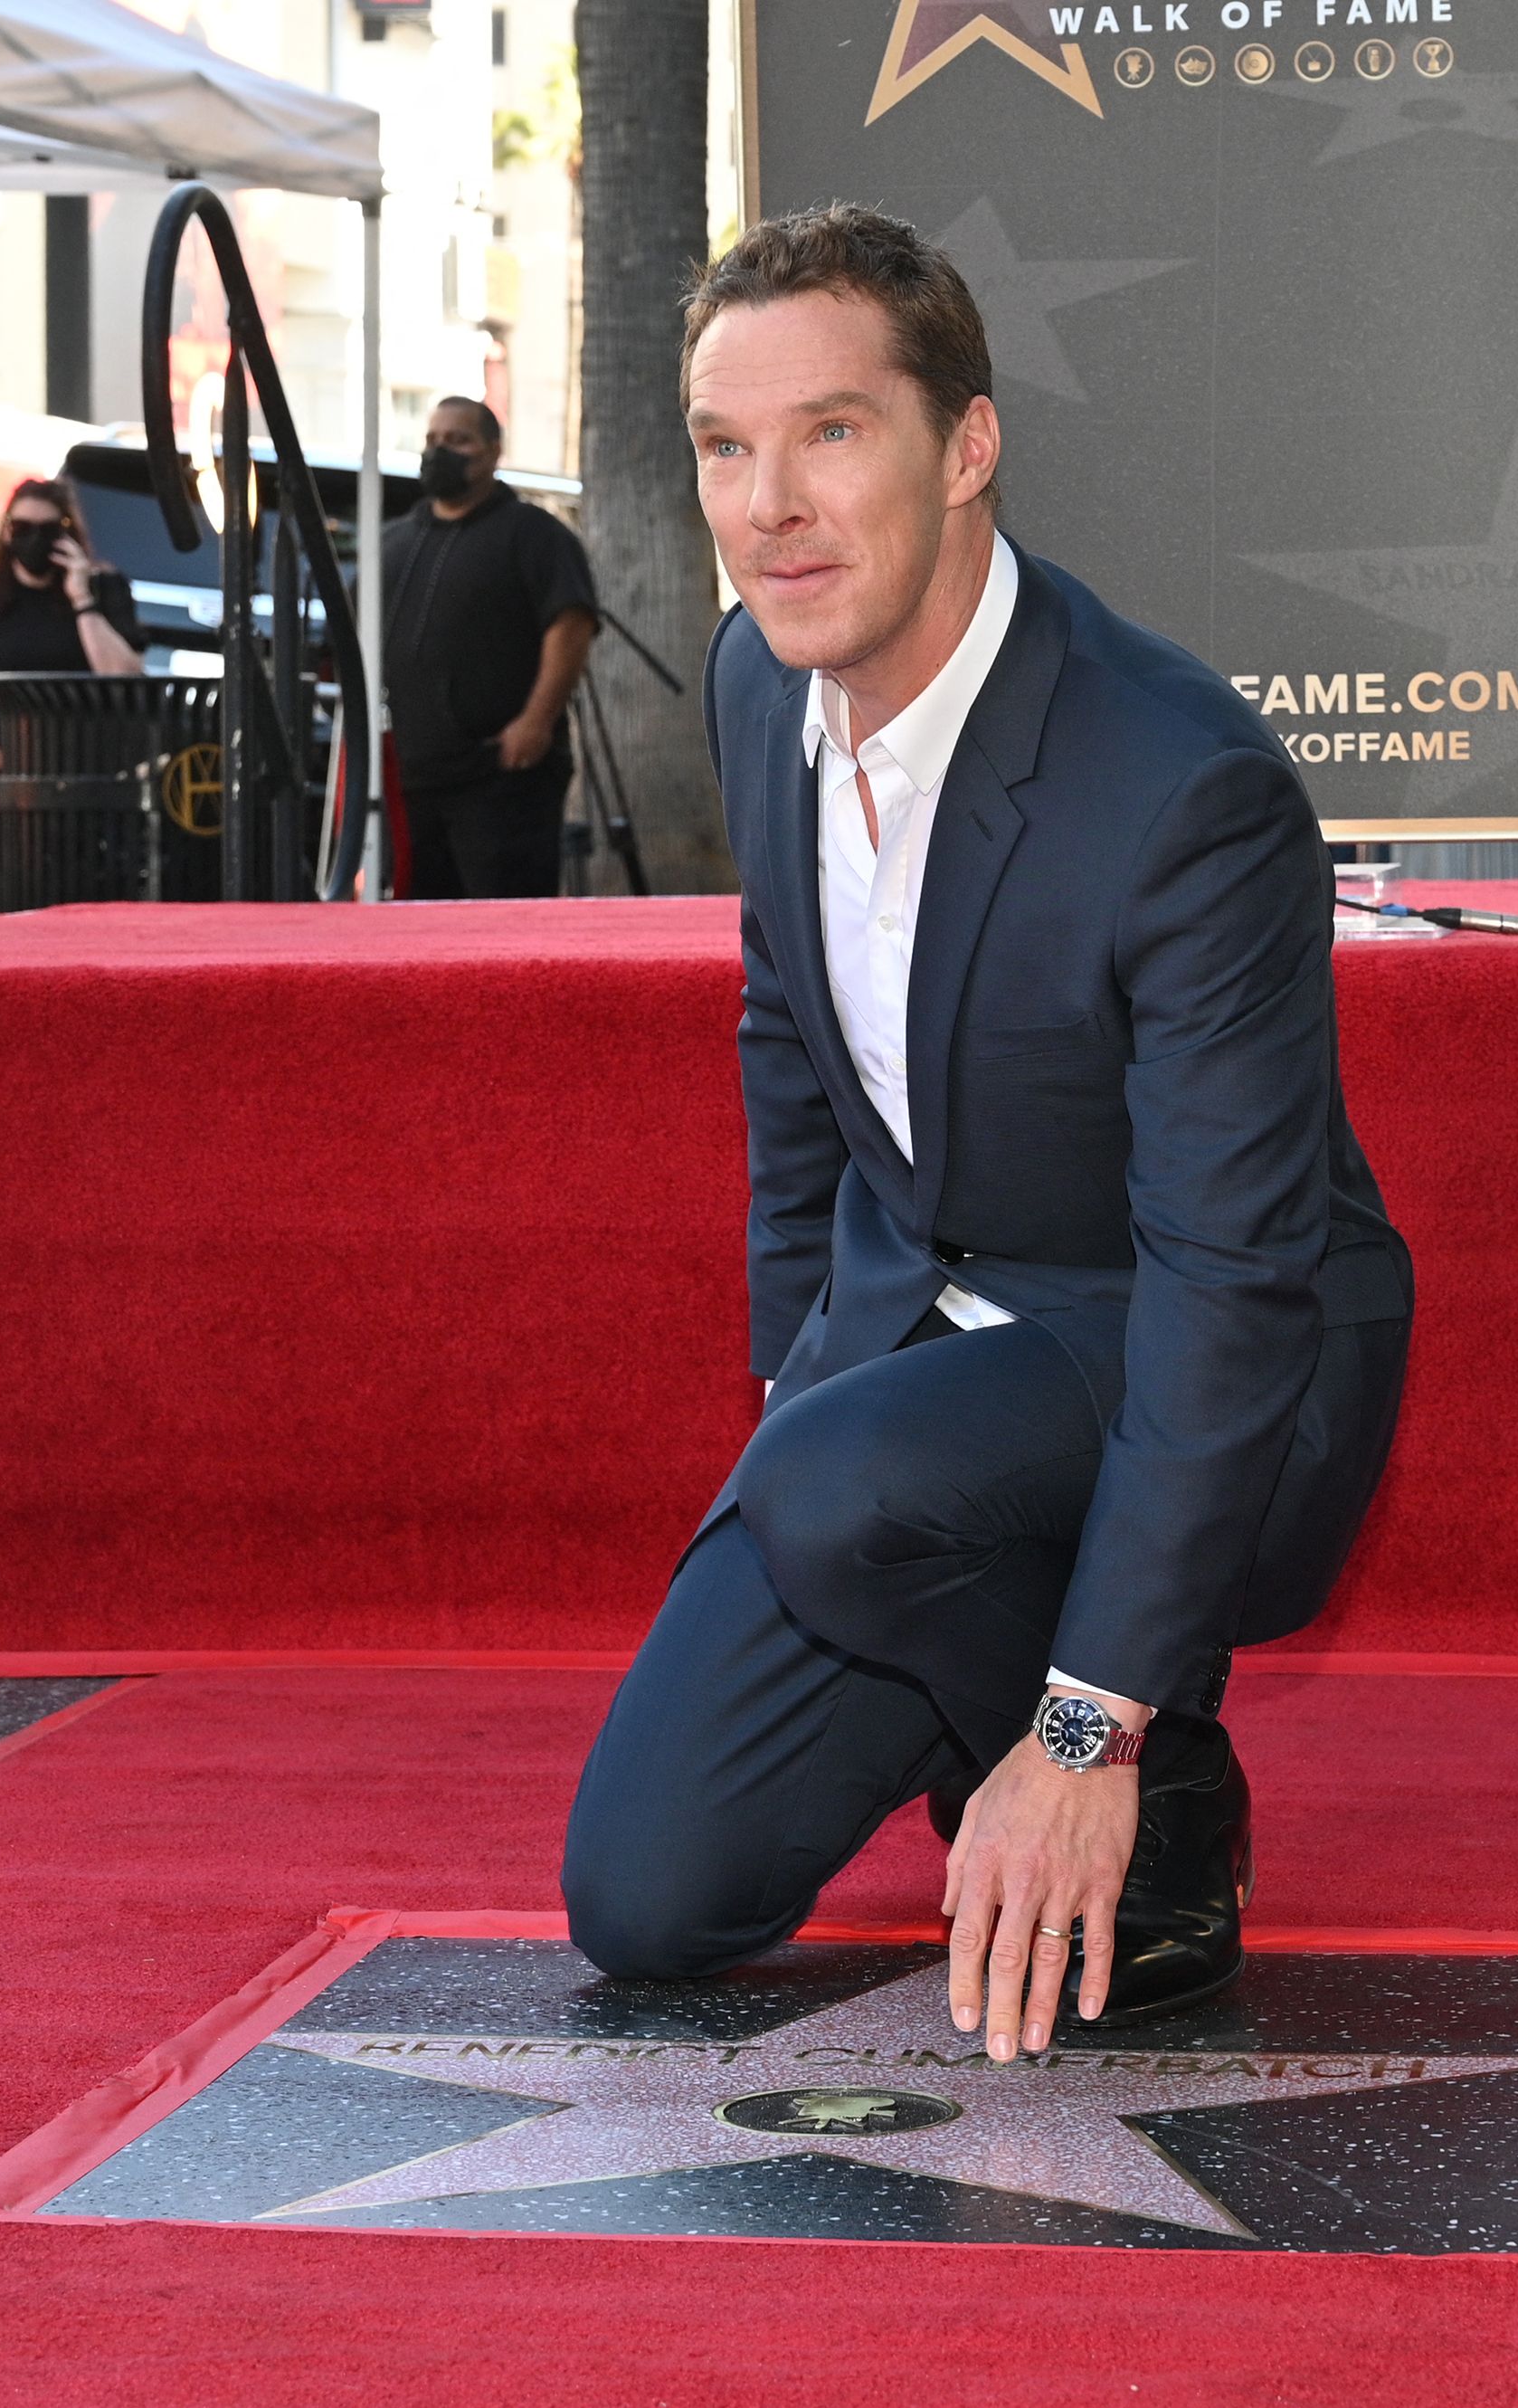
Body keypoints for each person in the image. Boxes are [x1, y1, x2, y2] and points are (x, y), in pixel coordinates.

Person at [560, 205, 1414, 2063]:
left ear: (965, 448)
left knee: (843, 1487)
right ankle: (972, 1662)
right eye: (725, 445)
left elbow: (1230, 1279)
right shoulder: (752, 677)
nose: (770, 505)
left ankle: (1145, 1766)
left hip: (1206, 1363)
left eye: (832, 431)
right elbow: (788, 1047)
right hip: (912, 1376)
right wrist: (804, 1387)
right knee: (645, 1901)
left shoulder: (1180, 788)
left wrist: (1089, 1724)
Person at [377, 397, 596, 899]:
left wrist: (536, 722)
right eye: (433, 440)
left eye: (458, 440)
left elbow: (571, 624)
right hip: (412, 777)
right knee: (420, 925)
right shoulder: (395, 541)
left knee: (503, 919)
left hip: (501, 776)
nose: (440, 451)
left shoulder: (534, 534)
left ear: (493, 451)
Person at [0, 477, 147, 776]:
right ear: (7, 532)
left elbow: (123, 676)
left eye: (48, 530)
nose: (34, 540)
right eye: (22, 528)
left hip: (94, 763)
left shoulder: (106, 590)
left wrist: (82, 599)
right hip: (11, 765)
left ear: (66, 535)